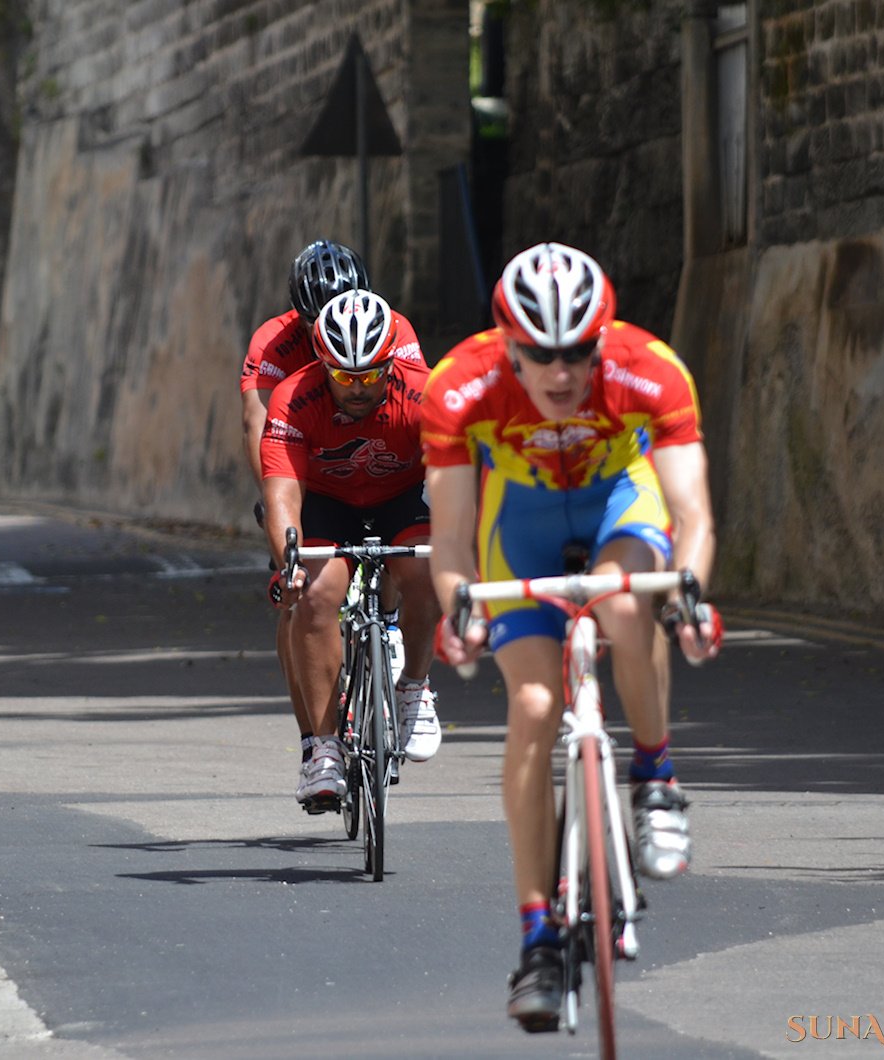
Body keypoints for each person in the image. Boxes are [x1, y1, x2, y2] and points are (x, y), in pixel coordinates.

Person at [422, 242, 722, 1031]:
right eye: (540, 355)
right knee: (531, 702)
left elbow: (692, 516)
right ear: (506, 347)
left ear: (603, 338)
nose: (561, 372)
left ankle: (656, 778)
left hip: (618, 501)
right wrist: (461, 610)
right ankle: (539, 943)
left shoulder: (649, 370)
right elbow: (450, 537)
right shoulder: (459, 387)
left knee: (627, 608)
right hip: (516, 519)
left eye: (578, 352)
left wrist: (688, 599)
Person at [239, 240, 424, 790]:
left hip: (385, 476)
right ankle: (314, 741)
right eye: (316, 316)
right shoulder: (276, 345)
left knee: (415, 558)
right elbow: (260, 424)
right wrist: (279, 508)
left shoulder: (394, 331)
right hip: (310, 463)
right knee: (302, 599)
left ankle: (389, 624)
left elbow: (415, 413)